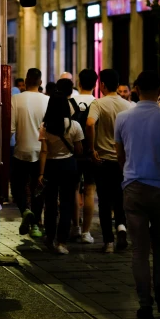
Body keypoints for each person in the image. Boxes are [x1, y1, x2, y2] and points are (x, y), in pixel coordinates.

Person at [115, 70, 160, 319]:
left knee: (139, 249)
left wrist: (129, 173)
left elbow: (120, 155)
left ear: (136, 89)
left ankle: (145, 303)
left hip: (134, 186)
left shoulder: (122, 117)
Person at [85, 68, 130, 252]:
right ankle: (121, 226)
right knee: (121, 197)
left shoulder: (98, 104)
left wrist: (92, 148)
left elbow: (89, 123)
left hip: (102, 159)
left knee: (104, 200)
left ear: (102, 85)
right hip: (123, 160)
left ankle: (108, 242)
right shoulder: (129, 105)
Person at [38, 80, 83, 255]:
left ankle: (50, 237)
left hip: (50, 166)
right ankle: (62, 242)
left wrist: (40, 173)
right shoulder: (74, 126)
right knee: (66, 203)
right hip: (68, 166)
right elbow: (78, 149)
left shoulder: (45, 126)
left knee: (50, 204)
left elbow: (43, 151)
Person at [10, 68, 49, 239]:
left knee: (18, 185)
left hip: (21, 151)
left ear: (25, 82)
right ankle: (36, 225)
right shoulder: (48, 100)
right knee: (38, 188)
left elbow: (10, 128)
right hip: (42, 152)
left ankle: (25, 210)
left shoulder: (16, 99)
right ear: (40, 83)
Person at [71, 68, 98, 243]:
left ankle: (75, 227)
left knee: (73, 189)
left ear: (79, 83)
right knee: (89, 190)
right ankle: (86, 232)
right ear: (96, 85)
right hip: (91, 153)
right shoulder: (98, 102)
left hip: (73, 152)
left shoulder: (70, 101)